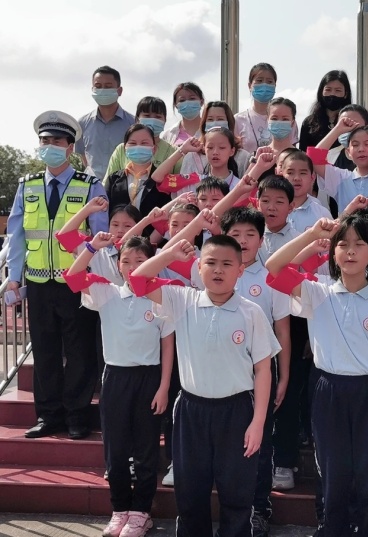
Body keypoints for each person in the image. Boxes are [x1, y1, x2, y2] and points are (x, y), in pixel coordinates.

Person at [266, 215, 368, 537]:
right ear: (333, 253)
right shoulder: (318, 293)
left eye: (359, 244)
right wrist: (311, 235)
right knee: (334, 474)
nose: (350, 251)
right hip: (329, 390)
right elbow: (274, 268)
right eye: (343, 244)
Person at [130, 235, 280, 537]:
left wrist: (258, 422)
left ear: (240, 270)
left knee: (237, 492)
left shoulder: (251, 313)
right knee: (190, 492)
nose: (218, 270)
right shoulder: (182, 300)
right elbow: (137, 281)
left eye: (227, 264)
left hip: (236, 411)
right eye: (210, 262)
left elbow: (263, 370)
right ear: (198, 267)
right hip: (192, 410)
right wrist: (170, 254)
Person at [6, 111, 109, 439]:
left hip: (75, 282)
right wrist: (13, 276)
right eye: (44, 141)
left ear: (69, 147)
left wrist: (93, 277)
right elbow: (16, 235)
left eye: (56, 141)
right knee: (45, 350)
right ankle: (48, 416)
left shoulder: (90, 185)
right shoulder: (27, 185)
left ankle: (77, 415)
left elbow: (100, 237)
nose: (49, 146)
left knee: (79, 352)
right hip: (38, 282)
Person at [65, 234, 174, 537]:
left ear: (152, 263)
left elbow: (168, 345)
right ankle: (120, 510)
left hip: (149, 378)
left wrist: (164, 387)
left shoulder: (162, 297)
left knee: (146, 449)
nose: (132, 266)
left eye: (140, 260)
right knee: (115, 449)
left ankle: (141, 513)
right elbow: (74, 277)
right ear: (117, 265)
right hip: (116, 378)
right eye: (126, 260)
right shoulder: (107, 293)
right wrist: (91, 247)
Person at [219, 208, 291, 537]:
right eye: (235, 234)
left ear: (262, 240)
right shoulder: (213, 271)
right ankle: (230, 511)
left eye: (250, 234)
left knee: (259, 442)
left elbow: (283, 330)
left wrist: (284, 376)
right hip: (222, 370)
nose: (243, 240)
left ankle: (259, 509)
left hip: (261, 372)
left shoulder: (270, 277)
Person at [309, 120, 368, 214]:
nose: (361, 149)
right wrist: (337, 130)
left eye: (367, 144)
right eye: (355, 145)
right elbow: (314, 158)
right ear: (348, 152)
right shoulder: (340, 178)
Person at [76, 66, 136, 180]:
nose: (102, 90)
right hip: (92, 185)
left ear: (119, 91)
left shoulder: (133, 123)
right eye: (98, 86)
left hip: (123, 184)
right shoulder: (82, 124)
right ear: (92, 89)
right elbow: (83, 155)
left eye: (108, 86)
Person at [104, 124, 172, 218]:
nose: (138, 147)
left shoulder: (163, 179)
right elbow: (105, 211)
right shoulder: (113, 179)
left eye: (144, 143)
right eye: (132, 143)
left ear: (154, 149)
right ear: (125, 149)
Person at [104, 96, 179, 179]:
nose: (152, 120)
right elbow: (108, 181)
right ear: (137, 119)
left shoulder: (174, 151)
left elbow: (181, 181)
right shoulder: (121, 149)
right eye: (147, 116)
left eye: (157, 117)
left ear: (165, 120)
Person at [234, 63, 299, 153]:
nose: (264, 85)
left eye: (269, 82)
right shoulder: (238, 120)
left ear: (275, 86)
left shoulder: (288, 120)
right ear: (250, 85)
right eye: (259, 80)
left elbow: (293, 153)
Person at [181, 101, 251, 181]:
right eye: (210, 119)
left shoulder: (243, 156)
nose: (215, 123)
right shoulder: (191, 157)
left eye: (220, 119)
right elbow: (183, 184)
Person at [280, 150, 333, 233]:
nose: (297, 178)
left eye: (303, 173)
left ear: (312, 177)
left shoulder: (322, 214)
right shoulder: (273, 210)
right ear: (281, 175)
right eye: (290, 173)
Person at [299, 70, 352, 151]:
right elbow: (303, 153)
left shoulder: (351, 121)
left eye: (338, 90)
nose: (332, 94)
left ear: (346, 94)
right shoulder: (309, 123)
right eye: (328, 90)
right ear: (321, 92)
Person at [161, 82, 205, 147]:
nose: (187, 103)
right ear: (176, 105)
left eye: (192, 98)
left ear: (201, 102)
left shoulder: (211, 129)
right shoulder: (168, 134)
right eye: (182, 100)